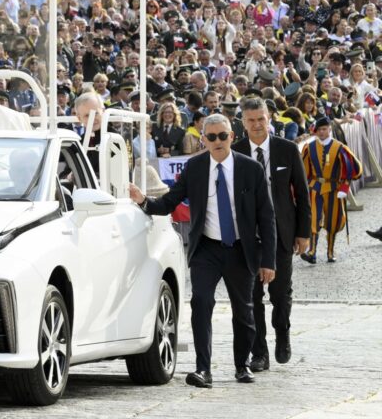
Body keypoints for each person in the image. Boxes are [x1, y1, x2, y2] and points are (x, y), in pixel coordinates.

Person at [129, 114, 276, 388]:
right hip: (206, 249)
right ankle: (203, 369)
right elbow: (170, 202)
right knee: (201, 303)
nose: (218, 141)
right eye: (211, 137)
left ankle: (242, 365)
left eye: (223, 136)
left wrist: (269, 260)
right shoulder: (195, 168)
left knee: (244, 310)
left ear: (232, 137)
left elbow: (266, 217)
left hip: (241, 249)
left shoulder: (250, 168)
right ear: (203, 141)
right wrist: (143, 201)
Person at [232, 98, 311, 372]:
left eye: (261, 119)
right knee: (252, 296)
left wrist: (303, 233)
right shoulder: (235, 152)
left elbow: (302, 193)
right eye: (251, 120)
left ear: (269, 119)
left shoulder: (287, 150)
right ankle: (259, 352)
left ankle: (283, 333)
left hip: (281, 233)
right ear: (243, 123)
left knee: (280, 293)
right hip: (247, 236)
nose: (256, 125)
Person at [300, 116, 363, 263]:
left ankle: (330, 251)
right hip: (315, 187)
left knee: (333, 220)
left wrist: (344, 187)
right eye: (319, 130)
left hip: (333, 188)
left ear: (329, 129)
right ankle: (312, 252)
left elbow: (352, 169)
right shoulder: (309, 147)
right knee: (313, 219)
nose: (321, 132)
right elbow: (303, 170)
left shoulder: (340, 148)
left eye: (324, 129)